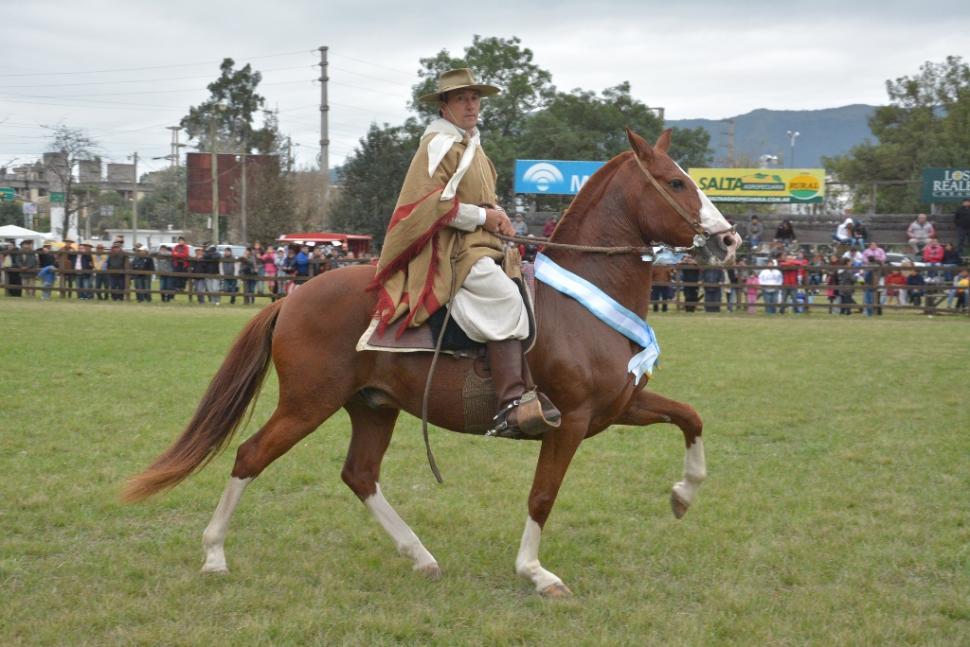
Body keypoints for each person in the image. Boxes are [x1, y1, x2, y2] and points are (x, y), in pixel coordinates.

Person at [372, 67, 559, 436]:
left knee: (528, 287)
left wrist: (498, 215)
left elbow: (480, 200)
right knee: (505, 296)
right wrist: (485, 217)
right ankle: (510, 403)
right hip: (449, 249)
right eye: (462, 99)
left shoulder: (472, 145)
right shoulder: (438, 145)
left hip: (481, 244)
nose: (471, 105)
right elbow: (428, 206)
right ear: (445, 106)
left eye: (474, 98)